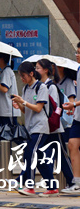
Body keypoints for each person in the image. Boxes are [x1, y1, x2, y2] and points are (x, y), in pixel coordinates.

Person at [12, 61, 56, 196]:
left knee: (30, 154)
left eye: (23, 75)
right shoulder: (26, 88)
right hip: (30, 128)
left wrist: (23, 102)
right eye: (20, 76)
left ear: (31, 74)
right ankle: (52, 187)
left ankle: (30, 187)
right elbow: (27, 110)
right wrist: (19, 105)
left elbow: (38, 108)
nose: (22, 78)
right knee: (40, 159)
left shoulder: (41, 87)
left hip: (40, 127)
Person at [36, 57, 73, 194]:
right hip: (44, 128)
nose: (35, 70)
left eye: (38, 68)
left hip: (53, 128)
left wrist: (52, 122)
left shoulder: (51, 86)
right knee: (41, 155)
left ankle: (72, 181)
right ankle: (51, 185)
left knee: (62, 156)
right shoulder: (40, 85)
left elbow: (55, 107)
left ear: (46, 70)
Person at [0, 52, 21, 176]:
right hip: (1, 113)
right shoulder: (4, 72)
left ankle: (30, 149)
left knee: (15, 136)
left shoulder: (7, 71)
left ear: (3, 59)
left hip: (8, 112)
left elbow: (4, 89)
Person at [64, 42, 80, 193]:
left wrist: (74, 104)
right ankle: (77, 183)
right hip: (78, 117)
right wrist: (74, 107)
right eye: (76, 52)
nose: (77, 55)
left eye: (79, 53)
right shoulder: (79, 69)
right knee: (72, 145)